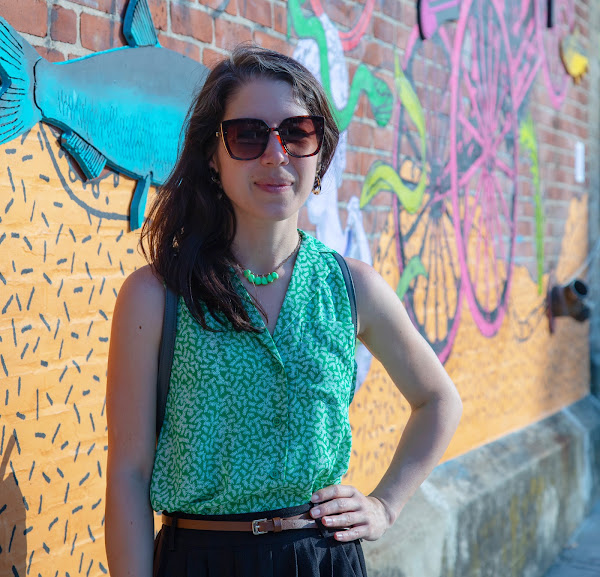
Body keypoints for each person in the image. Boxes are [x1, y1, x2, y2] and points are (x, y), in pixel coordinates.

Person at [105, 44, 462, 577]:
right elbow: (129, 474)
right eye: (248, 135)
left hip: (322, 561)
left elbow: (439, 400)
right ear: (212, 154)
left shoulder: (351, 287)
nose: (276, 154)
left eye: (297, 133)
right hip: (200, 562)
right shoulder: (157, 294)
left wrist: (385, 506)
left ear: (319, 152)